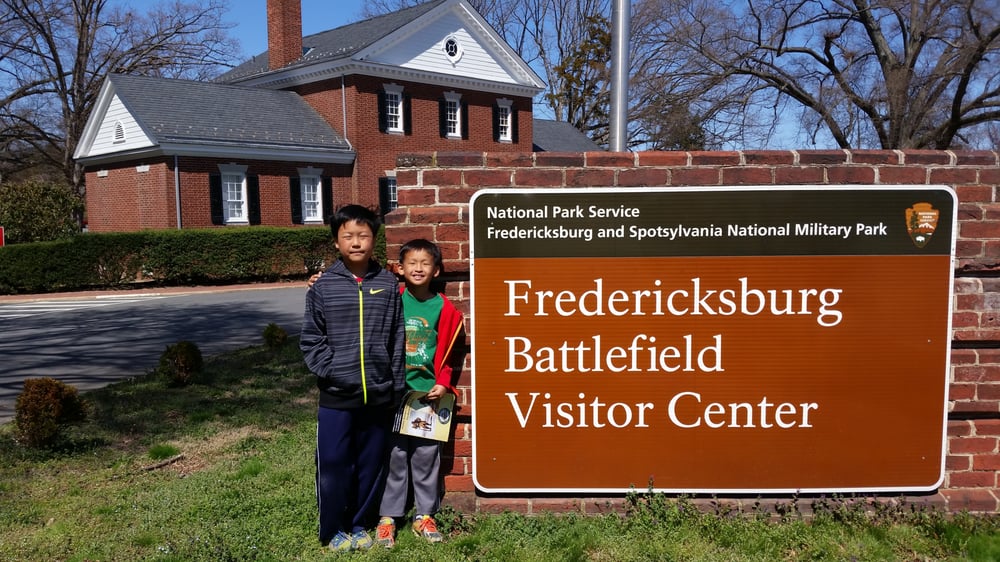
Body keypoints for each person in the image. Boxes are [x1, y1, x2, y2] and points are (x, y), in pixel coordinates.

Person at [300, 204, 405, 552]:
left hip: (378, 394)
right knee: (333, 463)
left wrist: (394, 383)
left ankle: (360, 523)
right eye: (348, 236)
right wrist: (332, 371)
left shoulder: (389, 286)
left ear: (375, 239)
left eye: (364, 235)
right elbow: (311, 340)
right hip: (336, 396)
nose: (356, 242)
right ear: (336, 242)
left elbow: (397, 337)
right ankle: (332, 528)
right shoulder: (322, 288)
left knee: (371, 464)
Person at [375, 238, 465, 548]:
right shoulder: (392, 298)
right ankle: (388, 516)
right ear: (400, 268)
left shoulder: (444, 308)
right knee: (395, 456)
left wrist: (443, 381)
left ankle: (425, 515)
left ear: (436, 270)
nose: (418, 268)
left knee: (427, 458)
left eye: (425, 263)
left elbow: (450, 353)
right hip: (397, 395)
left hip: (426, 397)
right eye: (411, 262)